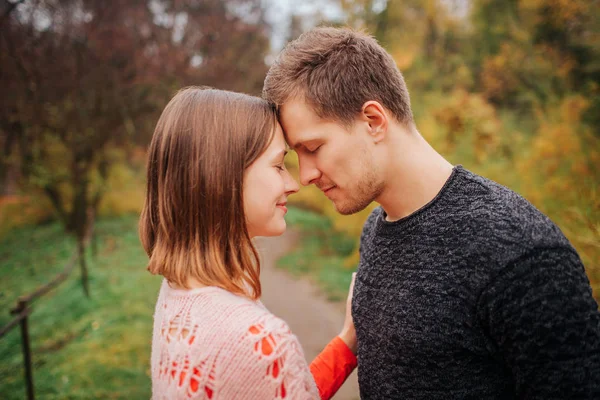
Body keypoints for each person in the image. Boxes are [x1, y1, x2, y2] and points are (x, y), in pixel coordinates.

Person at [263, 27, 600, 399]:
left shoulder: (521, 253)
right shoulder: (377, 230)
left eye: (313, 147)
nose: (306, 174)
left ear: (373, 121)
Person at [139, 87, 357, 399]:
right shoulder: (256, 339)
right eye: (278, 165)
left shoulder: (178, 296)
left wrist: (347, 343)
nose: (292, 184)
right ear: (223, 177)